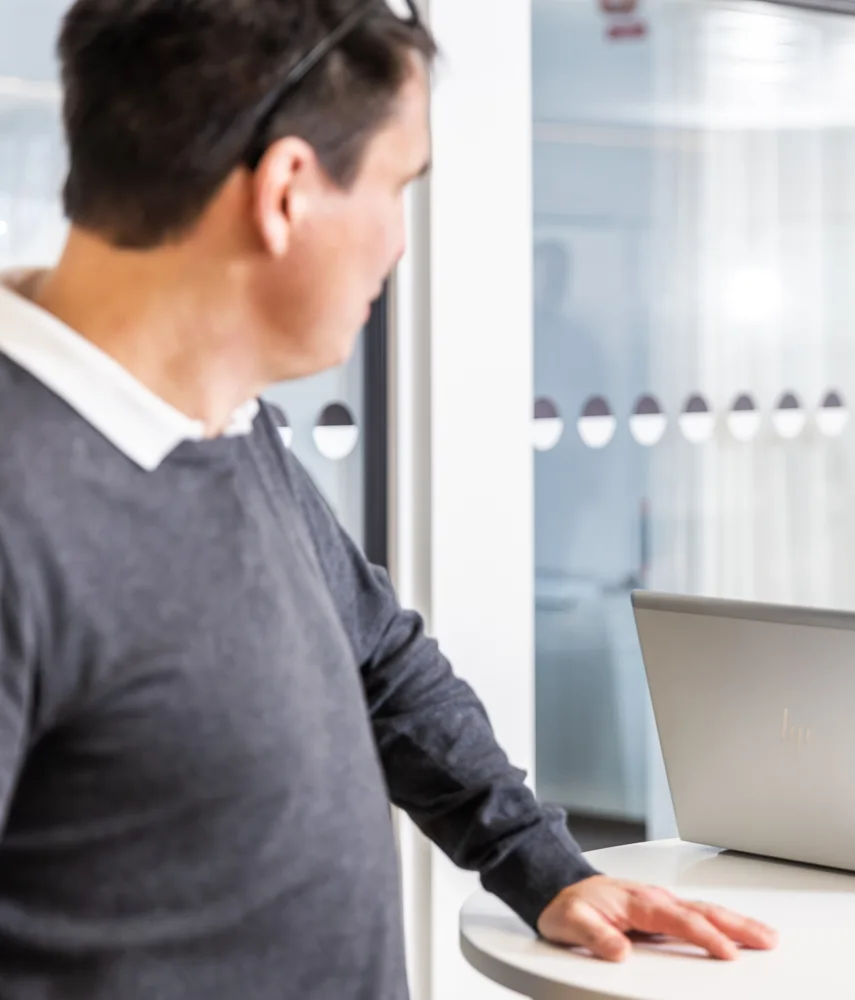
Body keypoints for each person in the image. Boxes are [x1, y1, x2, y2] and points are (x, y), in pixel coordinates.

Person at [0, 1, 774, 996]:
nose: (400, 243)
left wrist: (539, 864)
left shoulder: (223, 423)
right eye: (397, 185)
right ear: (286, 192)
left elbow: (380, 659)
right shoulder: (23, 500)